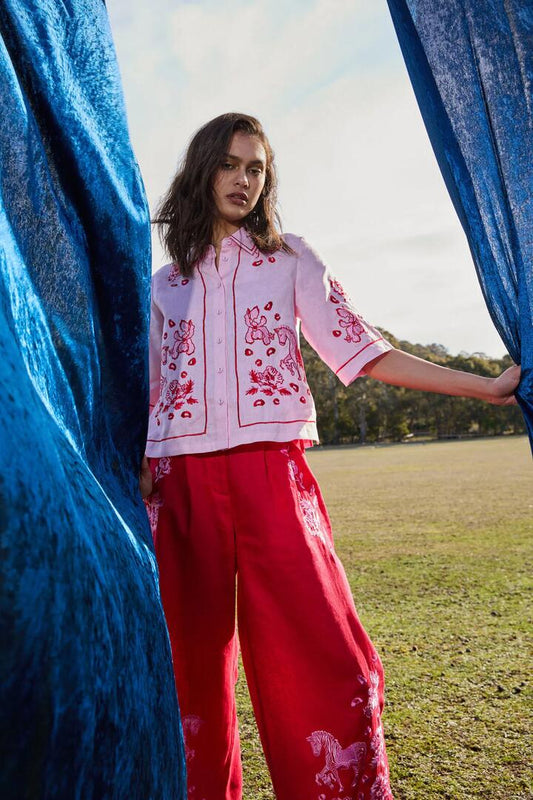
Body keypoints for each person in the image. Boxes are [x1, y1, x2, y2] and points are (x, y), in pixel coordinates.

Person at [142, 112, 520, 800]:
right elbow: (153, 386)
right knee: (182, 670)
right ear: (202, 171)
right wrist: (141, 469)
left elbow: (364, 349)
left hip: (272, 475)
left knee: (325, 657)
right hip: (182, 484)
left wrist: (484, 386)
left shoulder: (291, 260)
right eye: (229, 164)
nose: (243, 179)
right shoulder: (167, 283)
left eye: (255, 167)